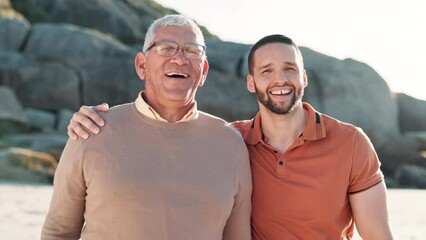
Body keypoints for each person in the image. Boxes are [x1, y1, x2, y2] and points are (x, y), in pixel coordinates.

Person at [68, 34, 394, 239]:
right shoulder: (229, 141)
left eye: (290, 69)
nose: (280, 79)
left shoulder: (351, 143)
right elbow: (164, 136)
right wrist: (96, 123)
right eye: (266, 71)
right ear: (251, 83)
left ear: (304, 77)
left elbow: (378, 235)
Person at [41, 14, 252, 240]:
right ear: (142, 65)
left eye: (191, 51)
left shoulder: (231, 143)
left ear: (204, 72)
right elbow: (58, 232)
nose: (179, 59)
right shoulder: (91, 131)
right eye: (165, 48)